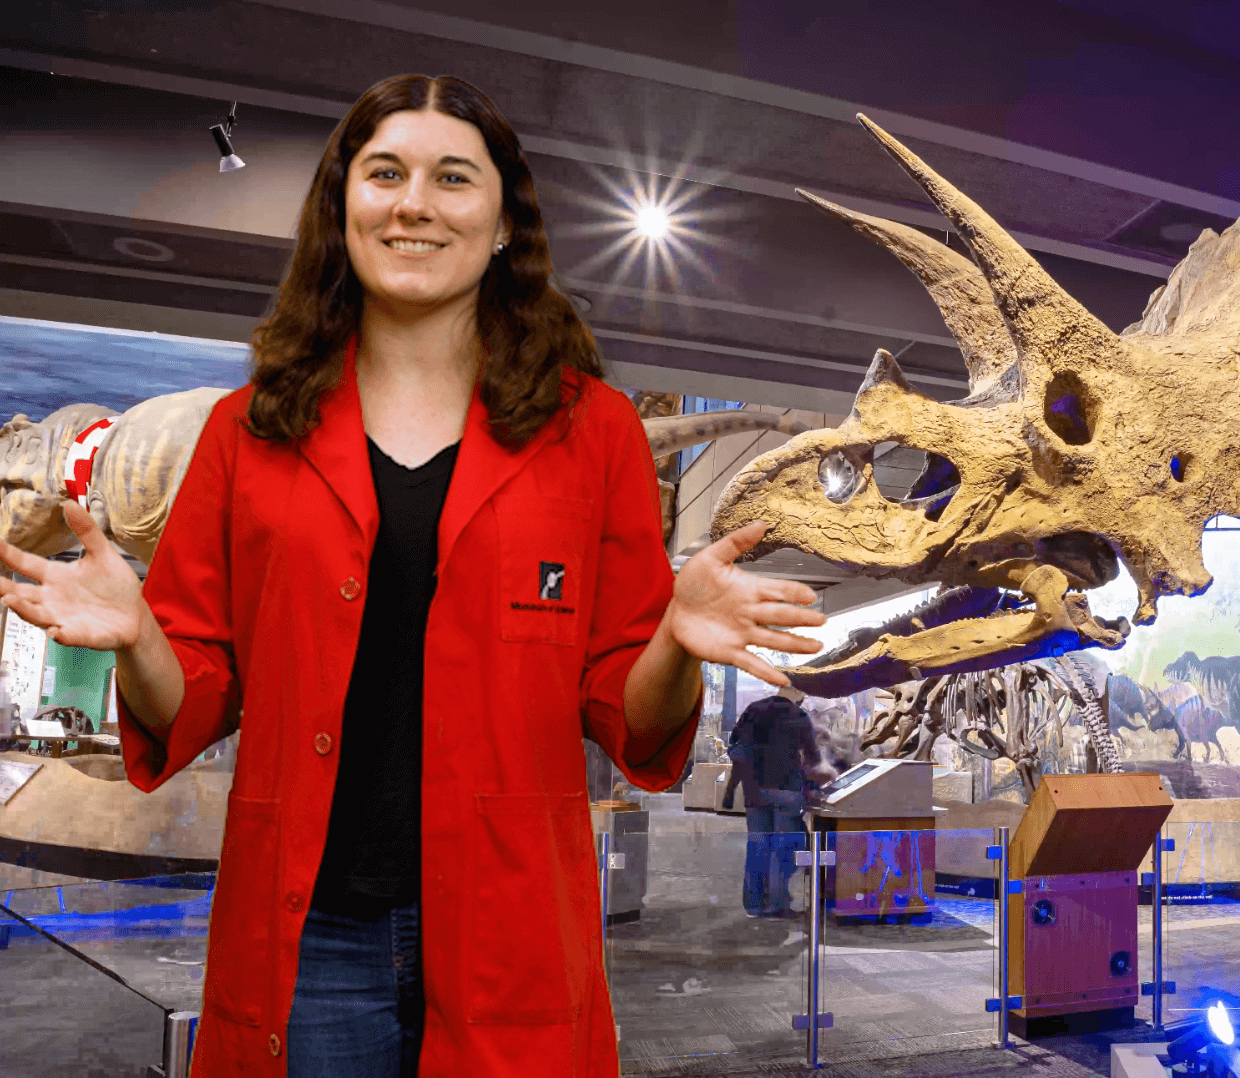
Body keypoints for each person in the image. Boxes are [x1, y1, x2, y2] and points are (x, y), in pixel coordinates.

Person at [0, 74, 825, 1078]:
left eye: (452, 178)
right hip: (309, 944)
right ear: (343, 207)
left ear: (505, 221)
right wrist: (139, 643)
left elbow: (629, 717)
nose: (414, 203)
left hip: (512, 933)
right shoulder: (245, 433)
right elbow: (191, 704)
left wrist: (673, 647)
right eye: (384, 172)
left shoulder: (593, 434)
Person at [725, 693, 827, 918]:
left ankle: (754, 904)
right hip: (785, 789)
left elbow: (734, 745)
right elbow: (813, 757)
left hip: (754, 789)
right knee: (782, 847)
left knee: (757, 845)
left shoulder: (753, 709)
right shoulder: (797, 715)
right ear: (798, 698)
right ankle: (776, 904)